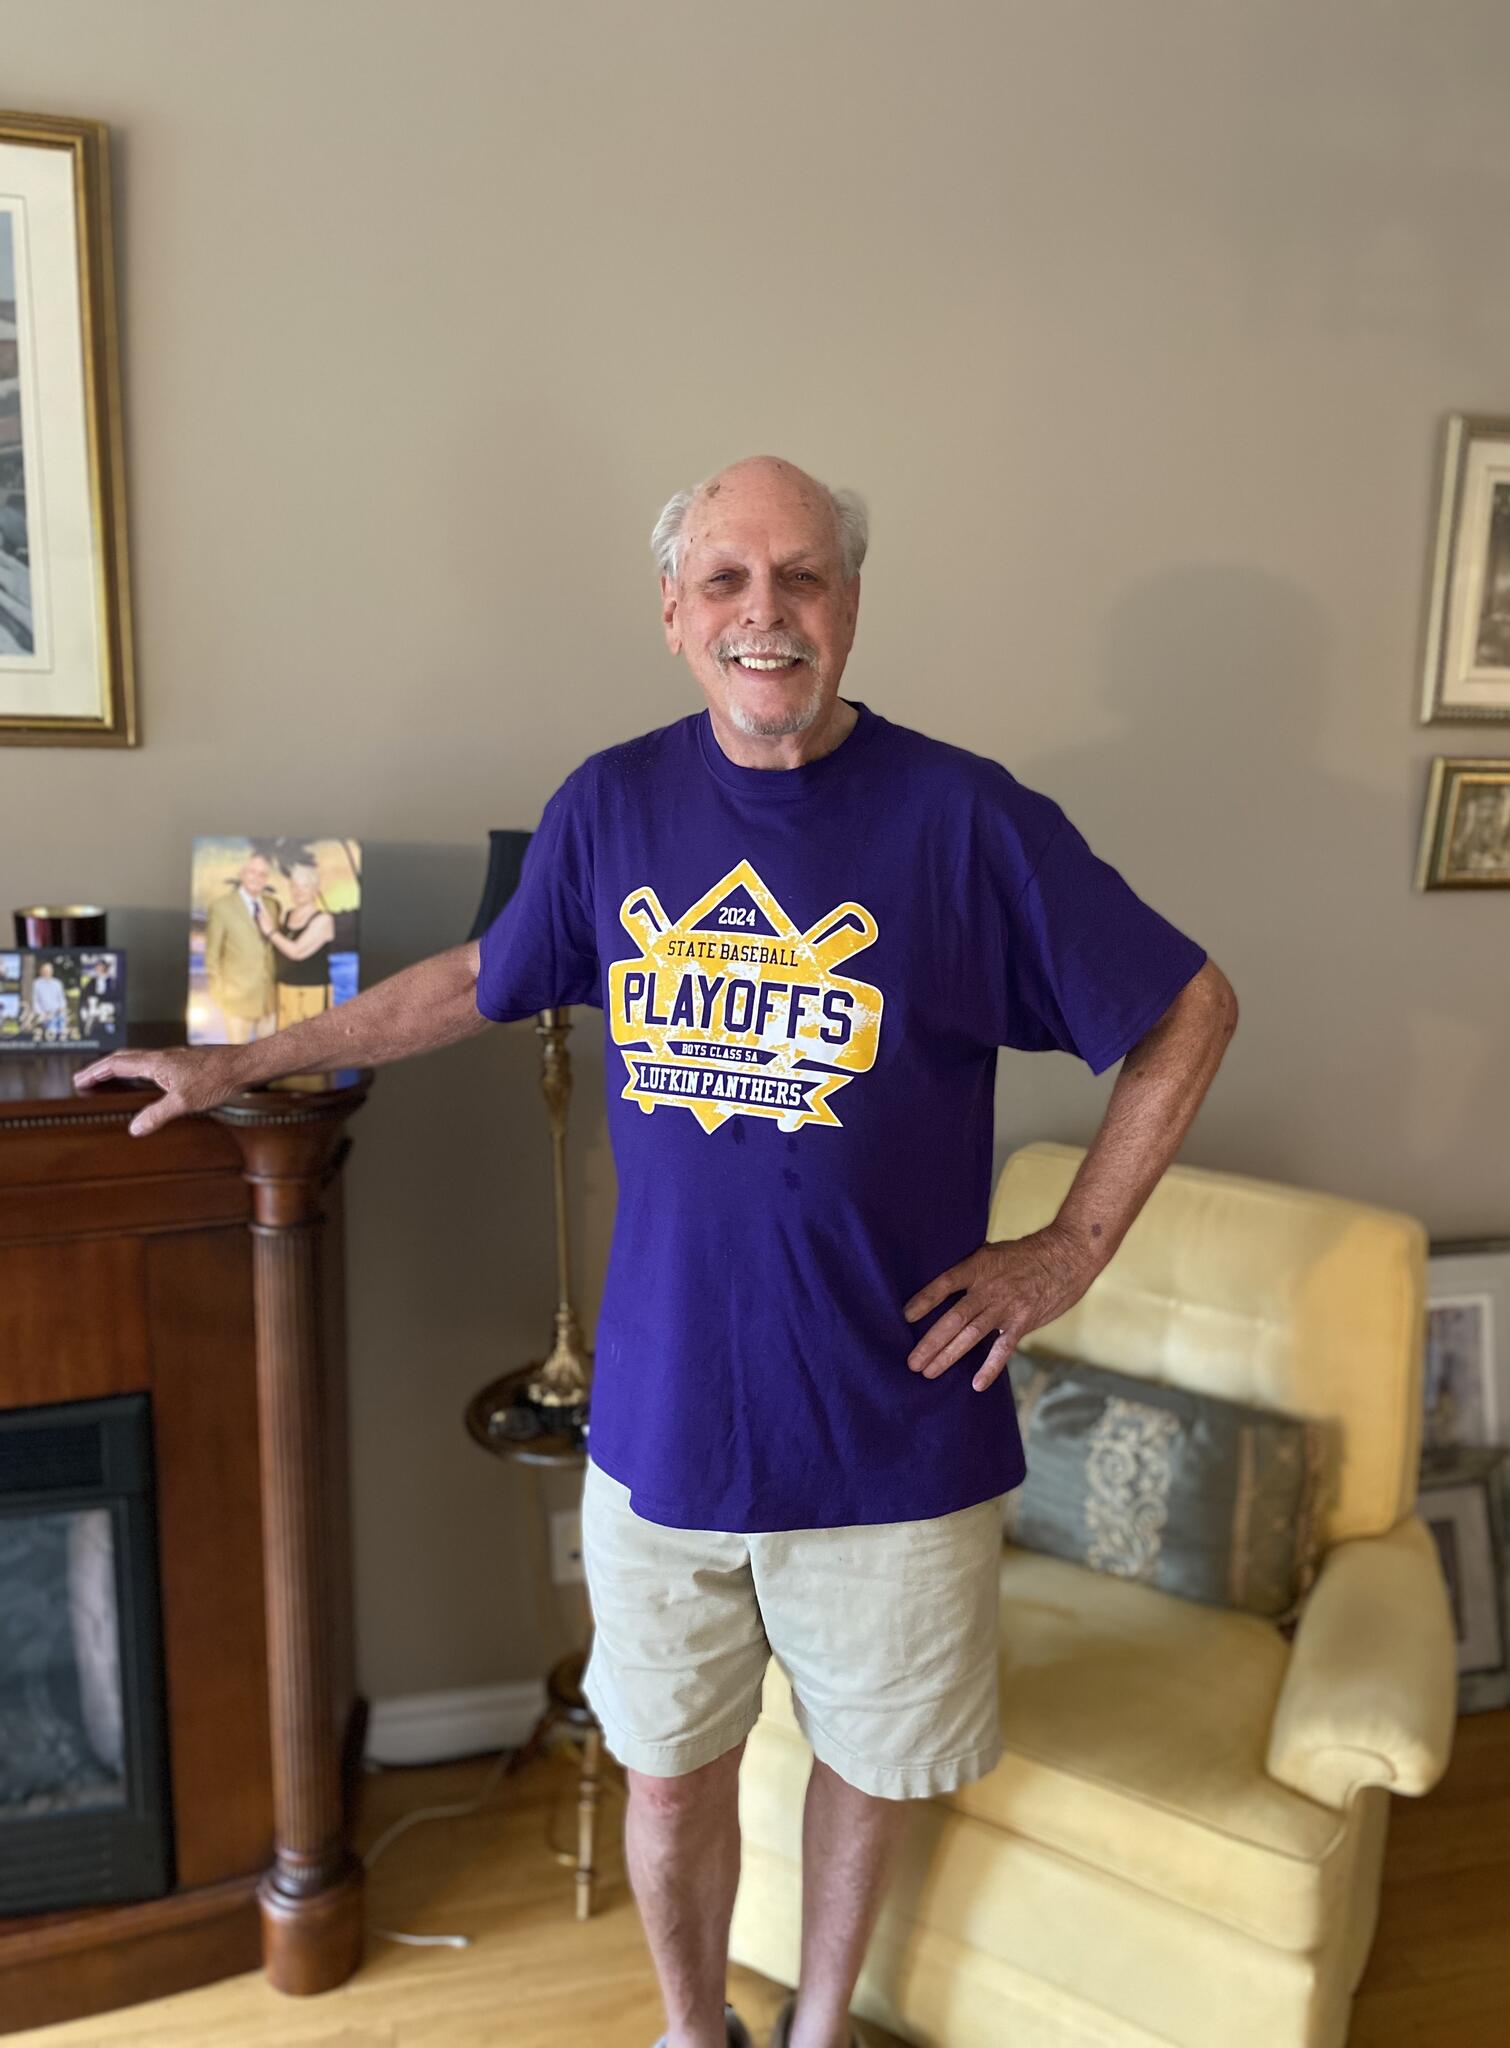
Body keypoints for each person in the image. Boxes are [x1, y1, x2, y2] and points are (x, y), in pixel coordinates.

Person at [74, 456, 1238, 2048]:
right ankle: (697, 2031)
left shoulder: (968, 820)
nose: (769, 613)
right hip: (667, 1423)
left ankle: (817, 2029)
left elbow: (1187, 1006)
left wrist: (1069, 1251)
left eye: (805, 576)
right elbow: (481, 977)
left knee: (869, 1771)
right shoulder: (612, 804)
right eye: (729, 580)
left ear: (850, 603)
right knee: (673, 1779)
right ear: (675, 612)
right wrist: (241, 1062)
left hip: (894, 1424)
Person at [202, 849, 280, 1042]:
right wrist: (220, 996)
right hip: (236, 1001)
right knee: (237, 1057)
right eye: (252, 871)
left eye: (262, 874)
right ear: (242, 873)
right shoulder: (221, 907)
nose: (257, 878)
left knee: (268, 1057)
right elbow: (212, 957)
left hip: (268, 1000)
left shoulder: (273, 905)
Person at [258, 847, 336, 1030]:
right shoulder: (287, 915)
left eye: (305, 886)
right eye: (294, 886)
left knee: (311, 1042)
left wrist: (270, 932)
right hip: (284, 991)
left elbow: (297, 952)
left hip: (312, 993)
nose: (298, 891)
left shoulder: (324, 919)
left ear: (315, 890)